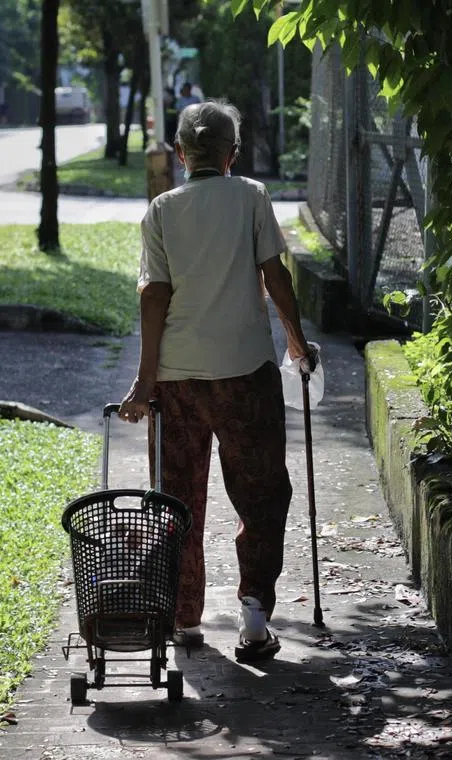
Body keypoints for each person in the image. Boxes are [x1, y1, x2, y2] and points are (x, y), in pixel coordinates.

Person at [117, 99, 317, 662]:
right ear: (233, 152)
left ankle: (184, 618)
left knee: (177, 498)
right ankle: (254, 616)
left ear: (181, 155)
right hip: (245, 374)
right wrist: (297, 345)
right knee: (262, 492)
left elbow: (153, 297)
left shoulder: (161, 210)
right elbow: (276, 277)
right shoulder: (251, 195)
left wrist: (144, 382)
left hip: (176, 380)